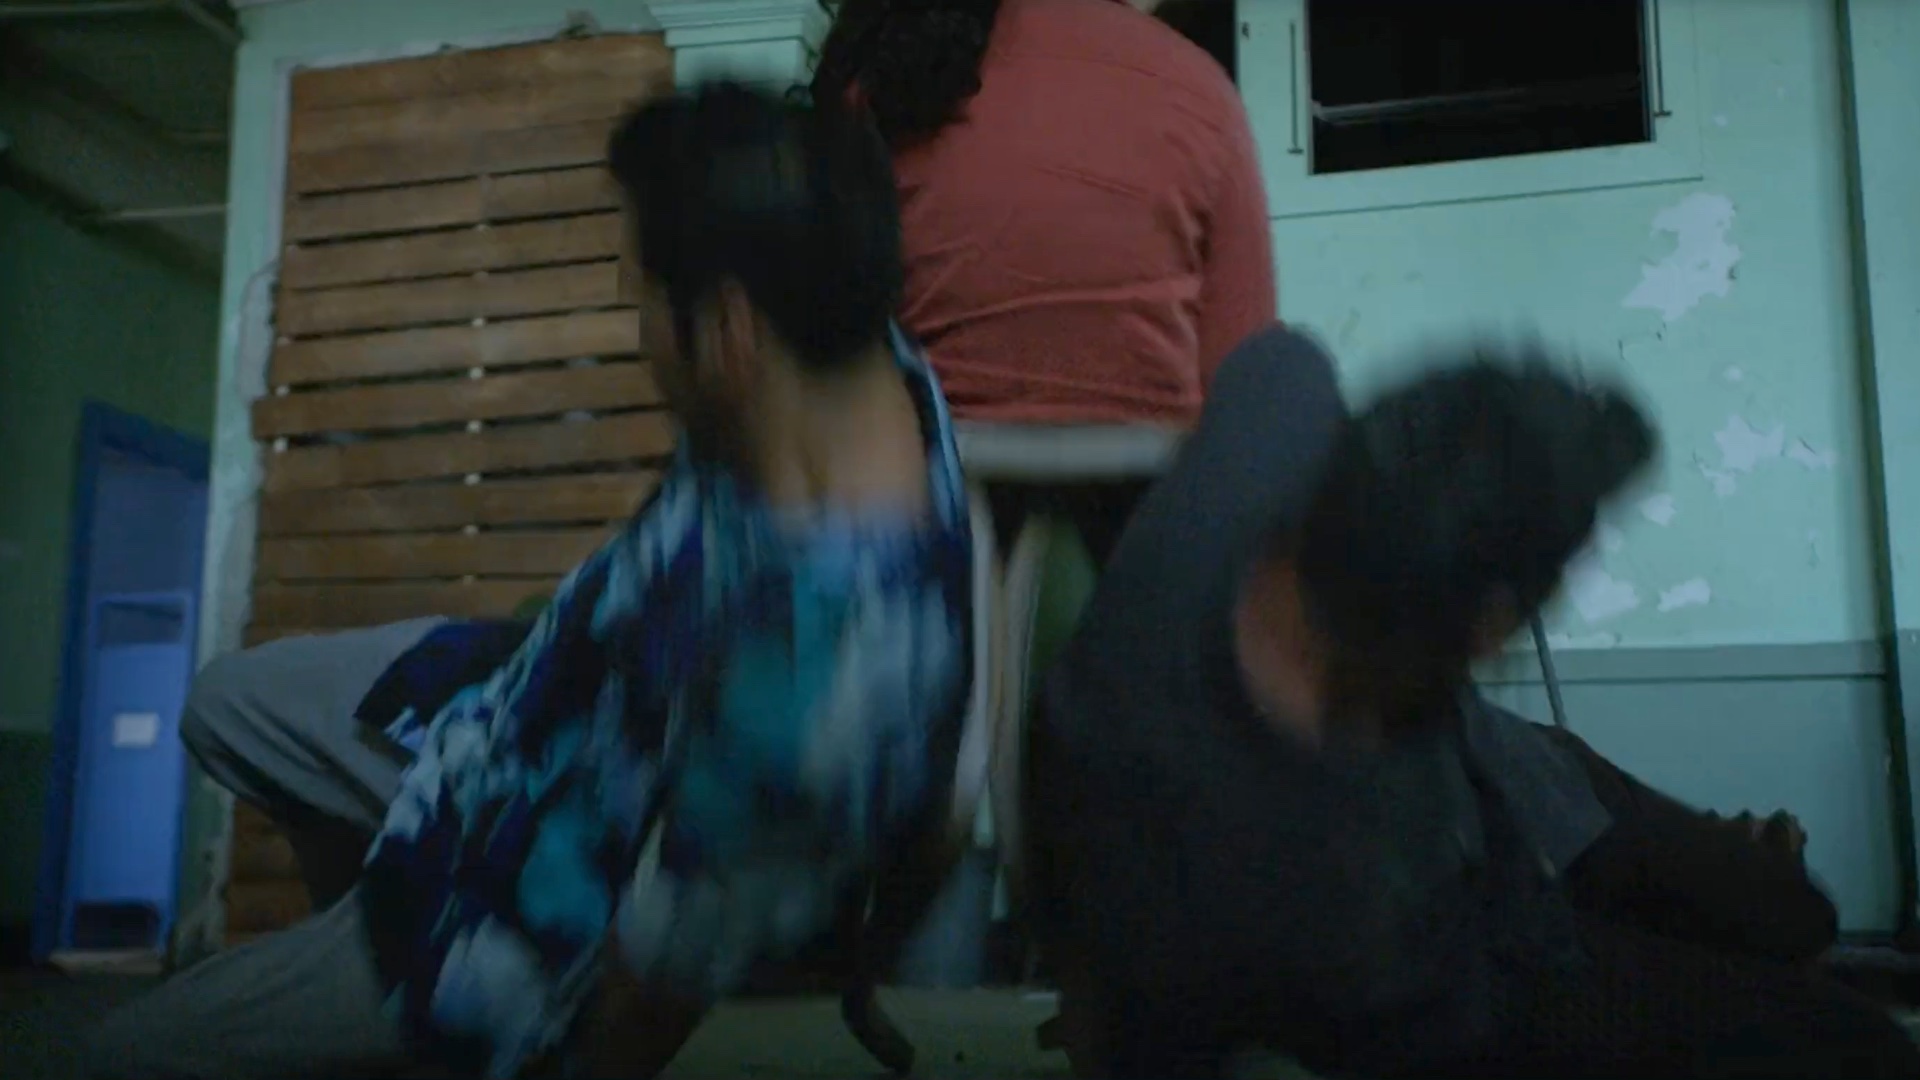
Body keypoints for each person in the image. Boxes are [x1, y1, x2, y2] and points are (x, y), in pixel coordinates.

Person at [87, 80, 975, 1080]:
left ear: (728, 332)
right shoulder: (836, 352)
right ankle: (360, 928)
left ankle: (386, 986)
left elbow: (641, 1008)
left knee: (118, 1057)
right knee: (224, 705)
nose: (636, 332)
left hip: (516, 909)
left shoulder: (809, 702)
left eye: (640, 299)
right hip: (530, 703)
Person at [1026, 324, 1920, 1078]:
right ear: (1491, 630)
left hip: (1524, 776)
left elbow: (1280, 355)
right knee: (1860, 1046)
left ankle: (1733, 885)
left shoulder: (1259, 446)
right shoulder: (1356, 920)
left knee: (1794, 911)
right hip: (1517, 934)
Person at [812, 0, 1274, 562]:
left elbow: (833, 354)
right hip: (1153, 548)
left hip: (934, 547)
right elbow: (1246, 382)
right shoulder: (1203, 93)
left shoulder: (884, 80)